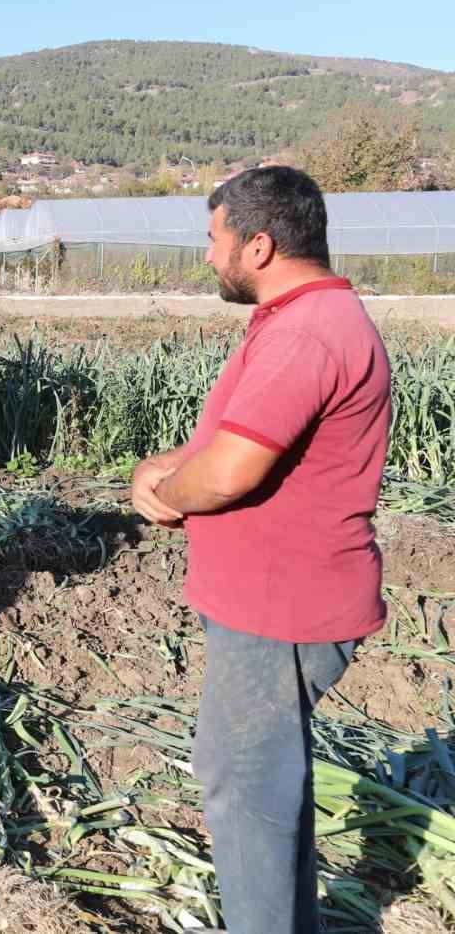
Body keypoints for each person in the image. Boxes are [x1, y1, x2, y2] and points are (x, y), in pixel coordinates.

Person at [130, 166, 391, 934]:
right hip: (275, 600)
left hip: (280, 608)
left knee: (245, 793)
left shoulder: (308, 332)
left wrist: (167, 497)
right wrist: (172, 463)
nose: (210, 258)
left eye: (216, 242)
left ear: (261, 244)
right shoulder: (303, 322)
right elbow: (241, 439)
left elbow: (235, 470)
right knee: (271, 788)